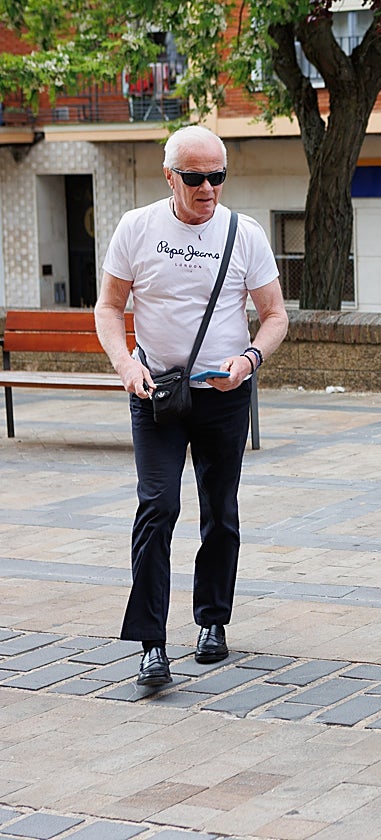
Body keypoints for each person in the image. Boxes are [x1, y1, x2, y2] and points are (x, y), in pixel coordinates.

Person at [94, 125, 288, 688]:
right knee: (156, 509)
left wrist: (249, 360)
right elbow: (108, 307)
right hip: (156, 392)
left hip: (224, 397)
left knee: (219, 512)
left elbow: (275, 315)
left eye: (218, 177)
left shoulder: (243, 233)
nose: (208, 189)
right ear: (170, 176)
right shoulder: (138, 227)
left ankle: (212, 622)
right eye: (196, 177)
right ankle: (151, 644)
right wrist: (128, 366)